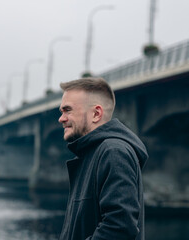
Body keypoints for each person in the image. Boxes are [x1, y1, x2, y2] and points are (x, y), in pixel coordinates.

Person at [58, 77, 148, 240]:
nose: (61, 118)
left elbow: (119, 227)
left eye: (67, 110)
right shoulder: (92, 154)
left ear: (96, 113)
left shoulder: (113, 152)